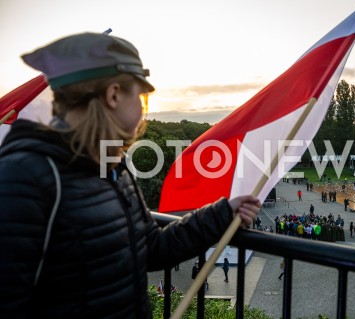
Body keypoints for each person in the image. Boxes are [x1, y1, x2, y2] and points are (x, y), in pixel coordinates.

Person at [0, 32, 261, 318]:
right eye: (140, 95)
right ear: (113, 94)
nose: (142, 109)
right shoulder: (23, 176)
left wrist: (222, 213)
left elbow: (151, 248)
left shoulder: (111, 165)